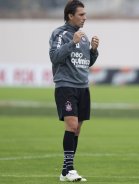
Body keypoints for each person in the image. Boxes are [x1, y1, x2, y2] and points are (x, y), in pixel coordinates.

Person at [49, 0, 99, 182]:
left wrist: (93, 50)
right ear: (70, 16)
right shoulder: (60, 34)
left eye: (85, 14)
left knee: (76, 129)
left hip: (83, 87)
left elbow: (86, 63)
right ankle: (70, 170)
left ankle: (64, 172)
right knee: (71, 125)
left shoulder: (83, 37)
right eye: (81, 14)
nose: (85, 18)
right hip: (66, 86)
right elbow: (54, 57)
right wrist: (72, 43)